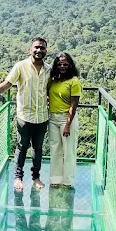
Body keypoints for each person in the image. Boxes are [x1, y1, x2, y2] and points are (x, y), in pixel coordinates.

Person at [0, 38, 50, 193]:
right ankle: (18, 177)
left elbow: (50, 90)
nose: (39, 50)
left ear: (46, 51)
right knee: (22, 147)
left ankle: (35, 177)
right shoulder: (20, 66)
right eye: (36, 47)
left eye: (42, 48)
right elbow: (8, 83)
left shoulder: (48, 69)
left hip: (42, 116)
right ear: (30, 49)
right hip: (25, 116)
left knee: (38, 148)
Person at [48, 52, 81, 188]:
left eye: (65, 64)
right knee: (55, 149)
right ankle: (55, 180)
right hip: (52, 118)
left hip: (67, 119)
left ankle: (67, 181)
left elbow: (74, 105)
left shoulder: (74, 81)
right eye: (59, 64)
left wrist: (67, 124)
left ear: (70, 65)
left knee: (69, 151)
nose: (62, 66)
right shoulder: (53, 80)